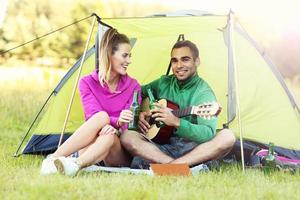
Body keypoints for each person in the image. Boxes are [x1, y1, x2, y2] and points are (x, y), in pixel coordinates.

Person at [40, 28, 141, 176]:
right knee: (101, 119)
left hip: (117, 151)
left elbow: (129, 124)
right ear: (109, 55)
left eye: (130, 56)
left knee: (109, 135)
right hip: (93, 144)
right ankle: (57, 160)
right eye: (125, 56)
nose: (129, 61)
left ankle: (69, 162)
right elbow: (92, 115)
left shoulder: (134, 86)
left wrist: (117, 125)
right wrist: (112, 122)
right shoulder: (87, 82)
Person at [120, 40, 236, 169]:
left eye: (185, 59)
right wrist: (140, 113)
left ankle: (172, 167)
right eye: (174, 60)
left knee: (227, 136)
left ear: (197, 61)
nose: (179, 65)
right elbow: (136, 92)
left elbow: (207, 133)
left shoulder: (203, 93)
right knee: (127, 136)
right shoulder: (164, 82)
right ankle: (177, 167)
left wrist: (176, 122)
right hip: (160, 148)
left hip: (192, 151)